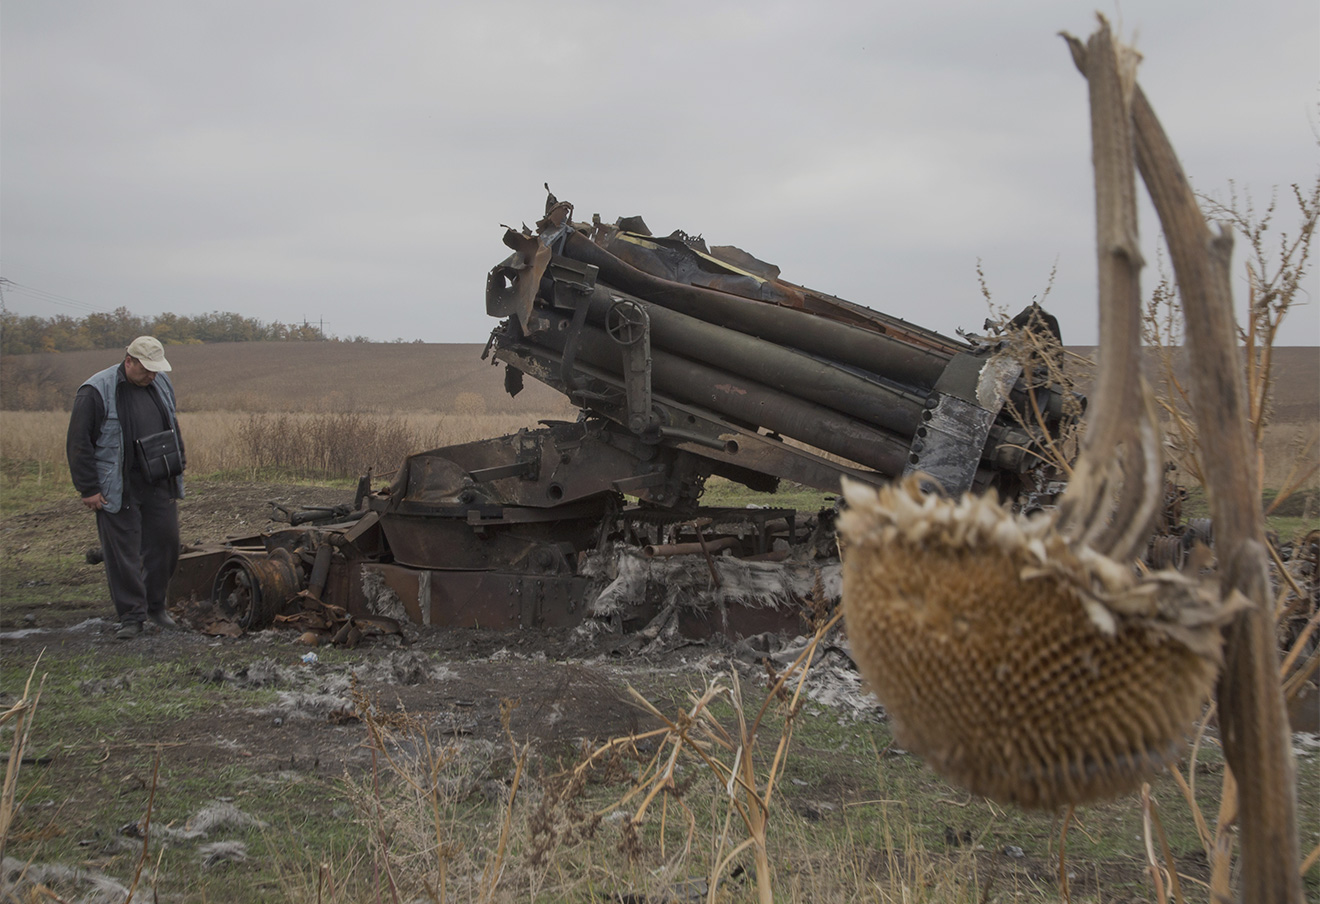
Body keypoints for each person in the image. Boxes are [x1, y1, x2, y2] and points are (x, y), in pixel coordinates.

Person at [67, 336, 186, 640]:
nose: (152, 375)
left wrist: (178, 462)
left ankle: (156, 607)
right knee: (123, 554)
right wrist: (88, 488)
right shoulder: (95, 391)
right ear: (129, 361)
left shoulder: (161, 384)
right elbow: (79, 443)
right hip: (117, 485)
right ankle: (132, 617)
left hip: (158, 480)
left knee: (166, 545)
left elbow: (172, 425)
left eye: (156, 370)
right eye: (146, 369)